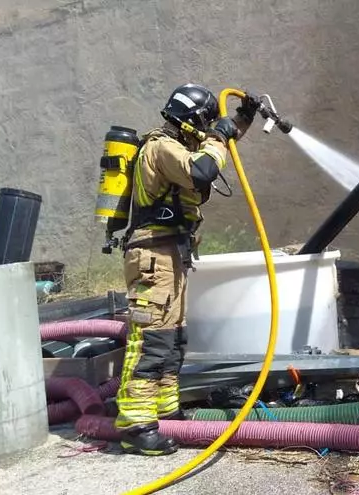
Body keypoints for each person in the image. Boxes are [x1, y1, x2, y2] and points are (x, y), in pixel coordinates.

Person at [115, 83, 258, 455]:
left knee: (173, 338)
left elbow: (216, 144)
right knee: (149, 340)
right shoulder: (161, 147)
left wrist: (241, 120)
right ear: (194, 121)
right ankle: (135, 424)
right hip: (152, 256)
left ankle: (165, 410)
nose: (209, 130)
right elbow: (203, 170)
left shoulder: (179, 145)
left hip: (171, 254)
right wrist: (219, 134)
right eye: (206, 123)